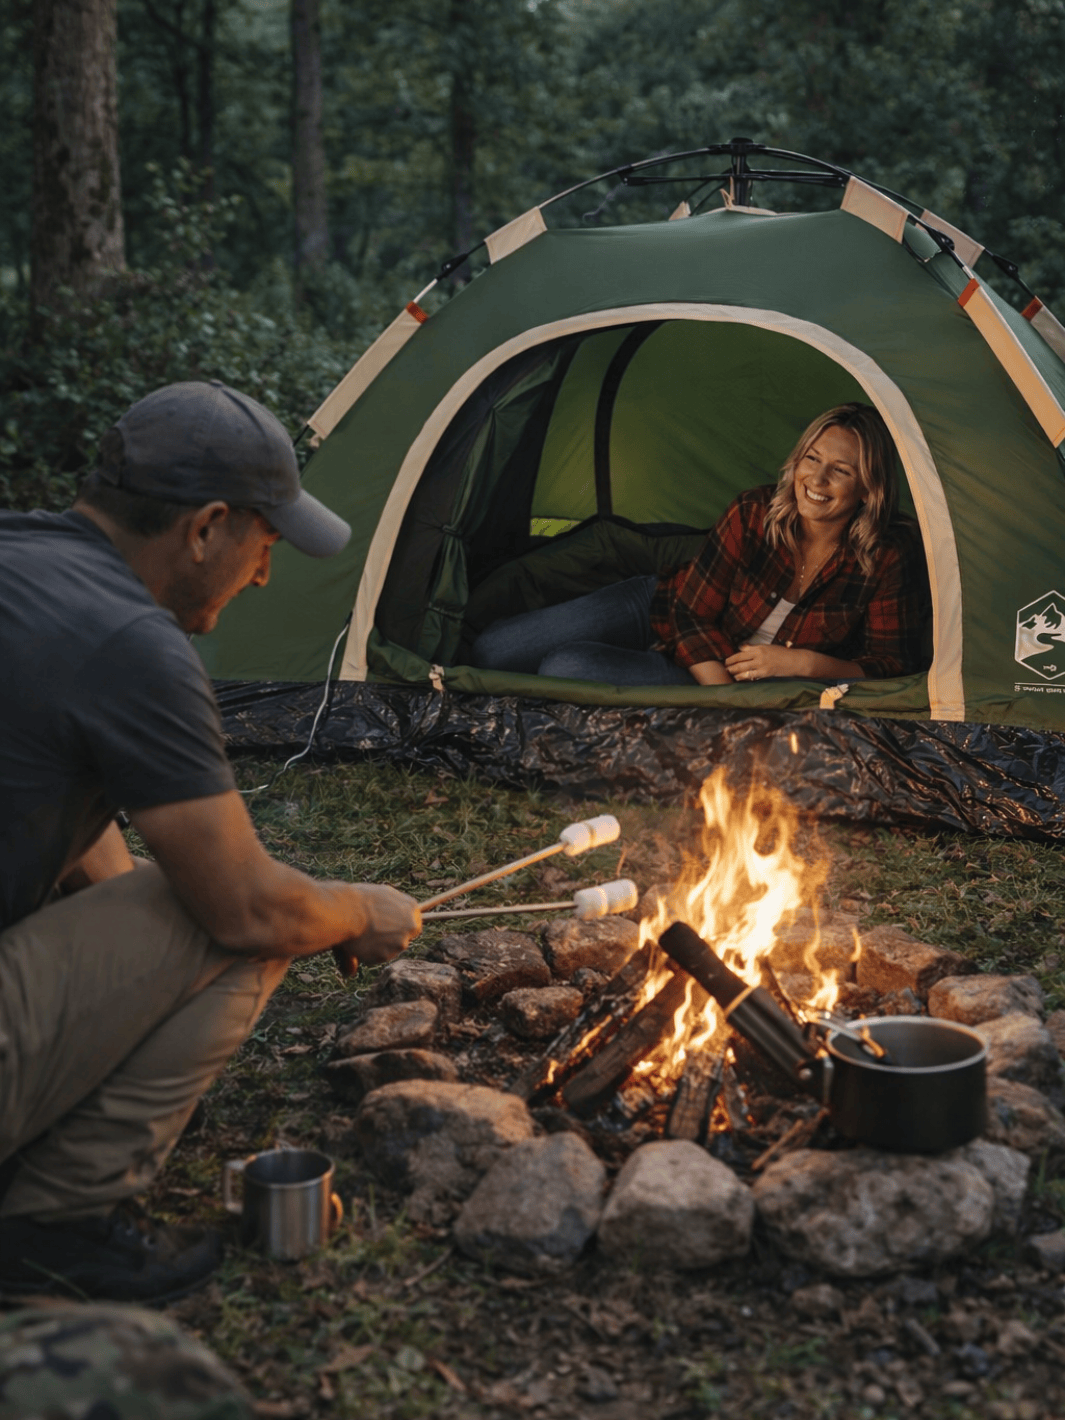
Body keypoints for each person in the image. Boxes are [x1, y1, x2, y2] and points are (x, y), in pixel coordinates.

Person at [0, 381, 421, 1304]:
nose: (265, 575)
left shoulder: (25, 562)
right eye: (264, 545)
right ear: (207, 529)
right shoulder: (129, 642)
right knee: (247, 916)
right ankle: (55, 1229)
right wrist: (357, 908)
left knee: (182, 889)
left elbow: (76, 838)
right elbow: (244, 908)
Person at [471, 403, 930, 687]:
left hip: (719, 662)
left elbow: (892, 663)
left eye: (841, 470)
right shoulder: (754, 511)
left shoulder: (888, 553)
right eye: (812, 458)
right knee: (494, 651)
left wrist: (805, 664)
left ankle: (632, 667)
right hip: (664, 604)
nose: (818, 479)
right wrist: (725, 699)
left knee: (564, 668)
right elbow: (688, 612)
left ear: (868, 488)